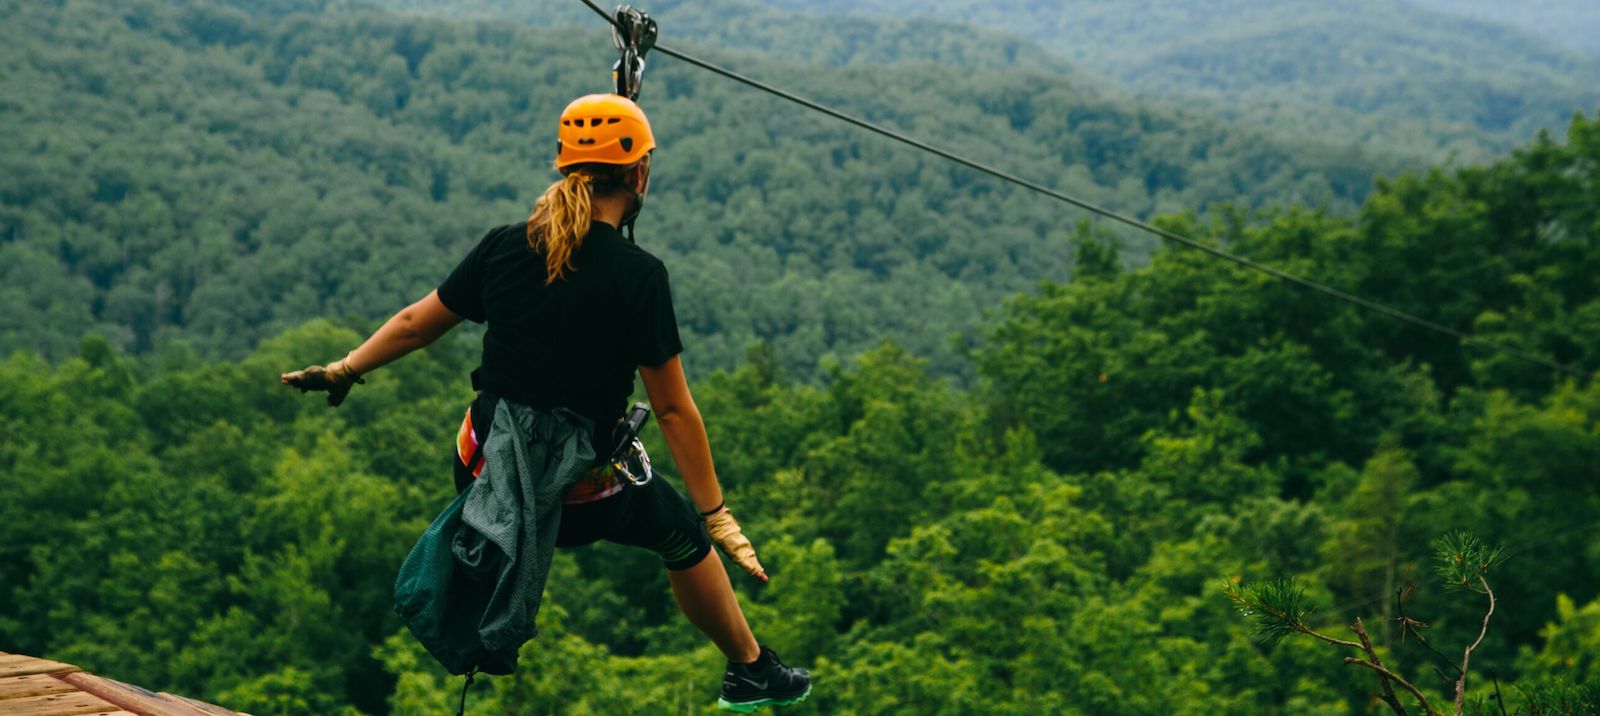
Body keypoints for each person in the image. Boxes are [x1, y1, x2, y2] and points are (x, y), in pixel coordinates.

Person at [281, 94, 811, 713]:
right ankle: (749, 669)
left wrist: (345, 368)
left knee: (514, 425)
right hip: (573, 498)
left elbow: (414, 324)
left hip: (480, 468)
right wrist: (716, 513)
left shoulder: (506, 245)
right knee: (682, 537)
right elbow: (671, 411)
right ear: (639, 174)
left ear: (565, 169)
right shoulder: (639, 276)